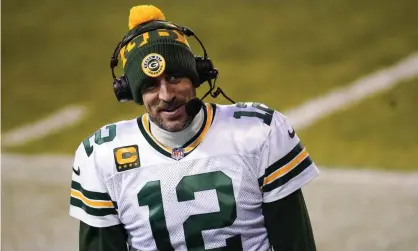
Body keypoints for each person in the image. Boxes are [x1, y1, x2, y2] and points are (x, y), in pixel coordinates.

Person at [69, 4, 319, 251]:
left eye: (175, 78)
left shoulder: (258, 133)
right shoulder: (100, 156)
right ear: (132, 93)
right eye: (150, 86)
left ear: (198, 75)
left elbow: (295, 243)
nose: (166, 95)